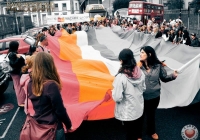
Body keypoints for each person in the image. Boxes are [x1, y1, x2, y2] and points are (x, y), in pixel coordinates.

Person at [27, 52, 72, 139]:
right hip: (53, 127)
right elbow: (60, 110)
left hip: (38, 124)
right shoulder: (51, 85)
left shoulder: (31, 83)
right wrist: (68, 125)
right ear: (50, 65)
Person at [138, 46, 178, 140]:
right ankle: (138, 134)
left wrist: (173, 76)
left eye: (143, 52)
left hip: (154, 96)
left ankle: (151, 131)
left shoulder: (158, 66)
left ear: (149, 54)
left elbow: (164, 78)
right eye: (140, 52)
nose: (140, 54)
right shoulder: (138, 66)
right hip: (140, 96)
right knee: (140, 115)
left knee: (151, 114)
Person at [112, 49, 146, 140]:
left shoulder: (121, 77)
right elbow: (143, 88)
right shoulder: (140, 72)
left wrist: (112, 92)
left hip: (128, 112)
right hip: (139, 107)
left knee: (130, 134)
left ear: (122, 61)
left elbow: (117, 97)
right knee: (136, 130)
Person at [7, 41, 26, 107]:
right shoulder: (12, 54)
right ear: (15, 46)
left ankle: (22, 100)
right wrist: (19, 58)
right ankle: (20, 102)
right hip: (15, 73)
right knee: (19, 87)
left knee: (18, 86)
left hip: (15, 73)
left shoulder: (11, 53)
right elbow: (13, 64)